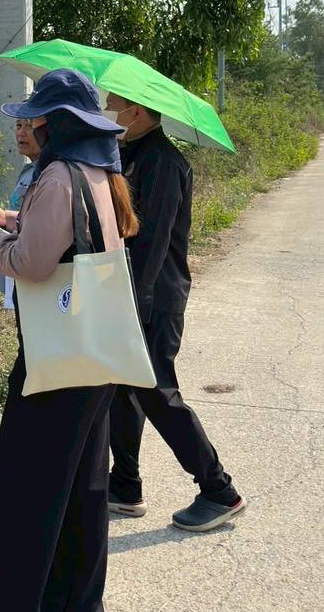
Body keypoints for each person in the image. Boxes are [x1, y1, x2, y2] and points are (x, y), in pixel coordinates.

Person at [0, 69, 139, 612]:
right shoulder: (97, 171)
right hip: (93, 354)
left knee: (24, 494)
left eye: (36, 116)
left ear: (57, 123)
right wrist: (10, 222)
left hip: (53, 360)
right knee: (84, 487)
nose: (29, 124)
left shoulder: (58, 174)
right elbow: (67, 240)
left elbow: (35, 263)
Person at [103, 91, 245, 533]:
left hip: (154, 297)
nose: (109, 112)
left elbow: (153, 241)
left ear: (139, 112)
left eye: (113, 105)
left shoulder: (162, 161)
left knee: (156, 391)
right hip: (131, 292)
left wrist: (134, 302)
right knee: (122, 389)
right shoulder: (129, 153)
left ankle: (219, 490)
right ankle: (125, 486)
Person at [0, 118, 41, 310]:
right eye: (19, 126)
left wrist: (2, 217)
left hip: (31, 268)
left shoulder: (48, 173)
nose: (21, 132)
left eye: (29, 126)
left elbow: (39, 222)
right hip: (18, 264)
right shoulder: (29, 169)